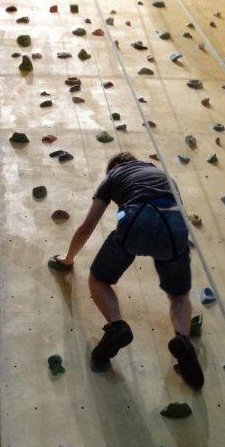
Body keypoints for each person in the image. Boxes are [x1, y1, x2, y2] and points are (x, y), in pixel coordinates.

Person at [49, 151, 204, 389]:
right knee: (179, 295)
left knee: (99, 280)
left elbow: (89, 225)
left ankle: (116, 326)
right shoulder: (162, 175)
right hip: (175, 228)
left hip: (137, 221)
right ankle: (182, 339)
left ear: (112, 167)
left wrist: (68, 259)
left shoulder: (113, 176)